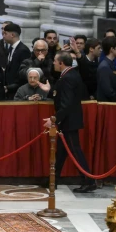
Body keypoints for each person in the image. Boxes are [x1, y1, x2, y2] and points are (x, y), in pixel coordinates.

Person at [44, 51, 96, 193]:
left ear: (61, 63)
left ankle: (88, 180)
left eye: (55, 61)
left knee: (74, 151)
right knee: (61, 151)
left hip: (69, 121)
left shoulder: (68, 77)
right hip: (68, 120)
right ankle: (53, 179)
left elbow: (66, 104)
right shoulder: (70, 75)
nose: (53, 63)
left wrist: (54, 119)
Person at [2, 23, 31, 99]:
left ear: (12, 35)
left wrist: (11, 87)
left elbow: (23, 73)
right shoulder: (11, 48)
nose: (3, 36)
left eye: (5, 33)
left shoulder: (23, 50)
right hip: (9, 90)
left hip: (17, 91)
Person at [96, 37, 116, 103]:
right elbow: (108, 90)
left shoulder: (109, 64)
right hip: (108, 106)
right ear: (112, 49)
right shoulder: (104, 67)